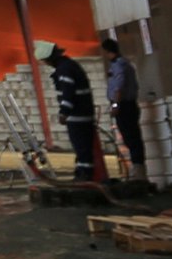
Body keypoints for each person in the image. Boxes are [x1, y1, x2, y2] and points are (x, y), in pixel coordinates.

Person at [36, 39, 99, 180]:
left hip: (78, 115)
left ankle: (85, 176)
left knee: (82, 147)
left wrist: (64, 112)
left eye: (44, 61)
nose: (45, 63)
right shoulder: (69, 65)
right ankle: (83, 172)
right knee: (82, 147)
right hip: (82, 113)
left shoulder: (64, 70)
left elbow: (68, 92)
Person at [98, 31, 144, 183]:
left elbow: (119, 87)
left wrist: (116, 104)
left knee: (131, 137)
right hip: (128, 104)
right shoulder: (124, 64)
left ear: (107, 51)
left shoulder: (119, 66)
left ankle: (138, 172)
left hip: (124, 106)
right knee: (132, 137)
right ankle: (137, 171)